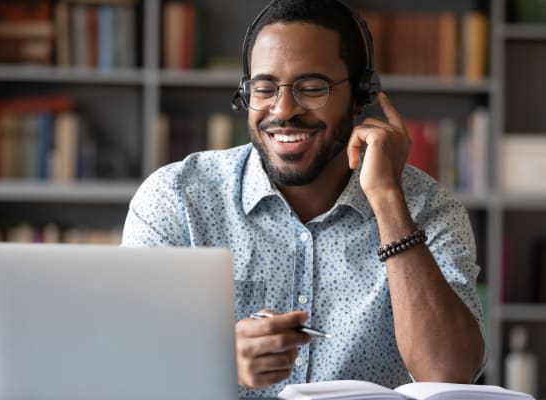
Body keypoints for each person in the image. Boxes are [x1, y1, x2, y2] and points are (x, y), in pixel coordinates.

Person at [122, 0, 485, 398]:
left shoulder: (429, 208)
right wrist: (216, 358)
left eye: (312, 88)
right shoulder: (176, 199)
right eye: (264, 89)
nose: (284, 110)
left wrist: (387, 199)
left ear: (361, 96)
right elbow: (126, 359)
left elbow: (449, 375)